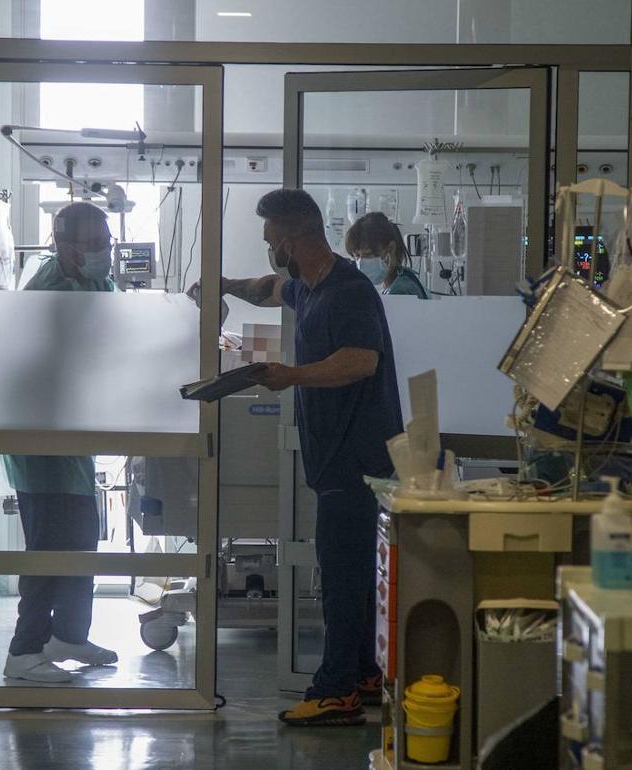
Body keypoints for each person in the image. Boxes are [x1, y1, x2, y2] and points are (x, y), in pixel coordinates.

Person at [222, 189, 403, 726]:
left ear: (291, 238)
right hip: (337, 461)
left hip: (357, 459)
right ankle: (366, 672)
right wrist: (224, 287)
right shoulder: (308, 287)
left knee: (343, 576)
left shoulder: (349, 292)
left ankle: (336, 693)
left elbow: (360, 361)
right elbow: (268, 288)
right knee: (354, 573)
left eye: (270, 241)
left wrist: (291, 375)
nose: (268, 251)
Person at [2, 202, 120, 684]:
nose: (102, 254)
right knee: (49, 547)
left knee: (81, 539)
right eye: (93, 246)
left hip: (72, 438)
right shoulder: (47, 290)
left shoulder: (91, 283)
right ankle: (24, 651)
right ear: (63, 245)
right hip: (41, 441)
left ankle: (69, 635)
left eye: (105, 244)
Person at [344, 211, 429, 298]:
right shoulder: (399, 280)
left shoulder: (402, 291)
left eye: (368, 254)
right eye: (357, 256)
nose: (361, 263)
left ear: (391, 249)